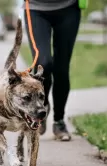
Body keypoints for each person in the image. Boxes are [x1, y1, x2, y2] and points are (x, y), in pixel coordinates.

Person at [23, 0, 81, 141]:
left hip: (69, 9)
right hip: (35, 8)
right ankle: (42, 106)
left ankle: (59, 122)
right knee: (43, 63)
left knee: (61, 68)